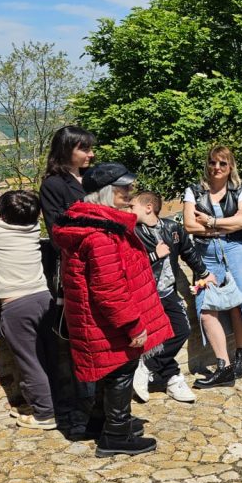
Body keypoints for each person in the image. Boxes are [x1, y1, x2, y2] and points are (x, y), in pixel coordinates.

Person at [54, 163, 172, 456]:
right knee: (121, 370)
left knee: (111, 368)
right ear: (106, 193)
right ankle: (115, 435)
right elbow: (109, 289)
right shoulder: (100, 235)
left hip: (99, 319)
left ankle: (99, 422)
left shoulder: (94, 225)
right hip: (108, 321)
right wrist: (133, 325)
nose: (130, 193)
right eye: (124, 188)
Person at [0, 191, 58, 429]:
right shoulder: (33, 230)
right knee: (47, 355)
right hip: (43, 298)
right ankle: (54, 403)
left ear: (1, 214)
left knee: (30, 361)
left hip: (17, 305)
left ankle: (45, 414)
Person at [39, 124, 97, 439]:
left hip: (101, 267)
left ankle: (100, 409)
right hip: (76, 271)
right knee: (78, 344)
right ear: (66, 150)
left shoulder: (92, 178)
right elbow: (58, 231)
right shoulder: (54, 185)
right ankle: (79, 417)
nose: (91, 154)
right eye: (84, 148)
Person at [183, 146, 242, 388]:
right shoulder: (194, 190)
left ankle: (240, 355)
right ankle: (223, 367)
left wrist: (211, 221)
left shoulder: (239, 189)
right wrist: (224, 227)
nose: (217, 167)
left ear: (230, 166)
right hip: (205, 256)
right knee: (206, 308)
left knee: (239, 305)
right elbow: (189, 226)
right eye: (213, 162)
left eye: (222, 163)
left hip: (235, 252)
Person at [131, 191, 215, 401]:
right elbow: (129, 266)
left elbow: (189, 252)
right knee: (153, 337)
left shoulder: (173, 228)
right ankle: (172, 379)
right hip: (147, 295)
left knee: (182, 330)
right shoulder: (132, 233)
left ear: (148, 207)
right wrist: (154, 255)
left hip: (168, 292)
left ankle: (147, 365)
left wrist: (205, 273)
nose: (128, 210)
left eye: (132, 206)